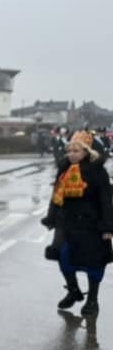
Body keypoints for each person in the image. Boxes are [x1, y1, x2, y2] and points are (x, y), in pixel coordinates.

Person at [42, 130, 113, 316]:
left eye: (76, 150)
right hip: (66, 222)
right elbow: (56, 196)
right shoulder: (65, 170)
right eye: (70, 150)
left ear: (87, 152)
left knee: (93, 263)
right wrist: (51, 217)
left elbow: (106, 201)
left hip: (91, 224)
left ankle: (92, 300)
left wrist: (108, 227)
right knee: (63, 258)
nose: (71, 154)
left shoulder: (98, 172)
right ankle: (73, 291)